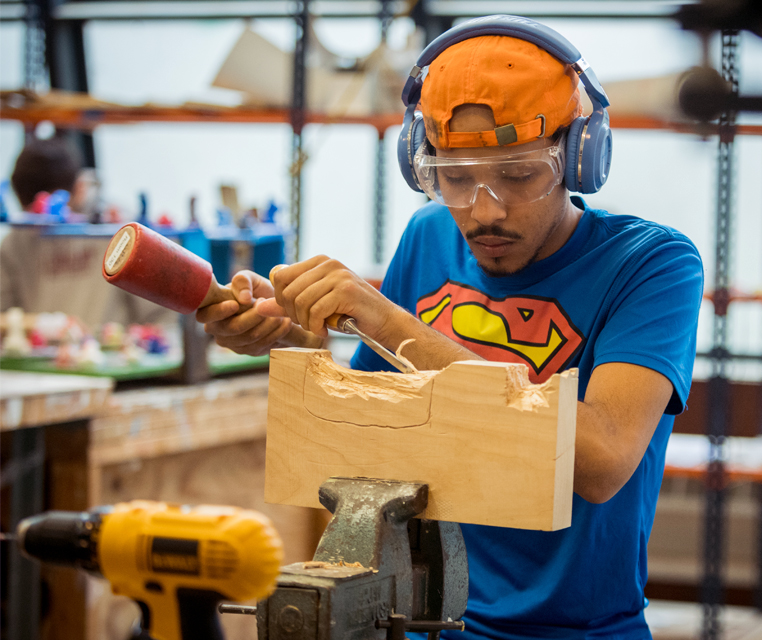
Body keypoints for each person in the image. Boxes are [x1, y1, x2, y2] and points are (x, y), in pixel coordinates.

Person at [200, 16, 703, 640]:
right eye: (456, 179)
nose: (483, 210)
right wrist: (300, 340)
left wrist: (386, 318)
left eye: (519, 174)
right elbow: (379, 432)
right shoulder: (428, 236)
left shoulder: (652, 265)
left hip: (578, 630)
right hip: (426, 620)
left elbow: (601, 461)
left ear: (580, 156)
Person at [2, 136, 172, 329]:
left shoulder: (117, 230)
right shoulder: (13, 243)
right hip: (39, 356)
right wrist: (47, 326)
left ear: (80, 189)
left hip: (112, 353)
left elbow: (162, 315)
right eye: (32, 215)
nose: (40, 226)